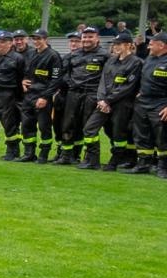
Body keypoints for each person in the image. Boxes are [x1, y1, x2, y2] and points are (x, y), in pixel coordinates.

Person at [83, 33, 142, 171]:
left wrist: (108, 100)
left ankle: (115, 162)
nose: (115, 47)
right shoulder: (111, 61)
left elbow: (128, 87)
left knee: (118, 134)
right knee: (89, 129)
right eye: (114, 44)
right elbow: (103, 82)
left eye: (118, 44)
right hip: (104, 103)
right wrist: (102, 100)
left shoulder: (136, 63)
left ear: (128, 45)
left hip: (122, 103)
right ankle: (93, 160)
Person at [55, 27, 106, 165]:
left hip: (92, 94)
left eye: (90, 37)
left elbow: (107, 77)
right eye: (85, 37)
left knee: (87, 127)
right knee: (68, 124)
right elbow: (64, 73)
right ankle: (66, 156)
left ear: (97, 38)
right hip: (74, 93)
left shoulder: (105, 55)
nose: (87, 39)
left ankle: (90, 158)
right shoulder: (74, 55)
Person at [122, 30, 167, 177]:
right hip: (143, 102)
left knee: (162, 136)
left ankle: (163, 167)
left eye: (152, 44)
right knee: (141, 134)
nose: (148, 47)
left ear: (162, 45)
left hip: (161, 103)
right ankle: (143, 164)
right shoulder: (149, 59)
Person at [20, 31, 64, 163]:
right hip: (29, 95)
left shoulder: (53, 56)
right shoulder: (32, 54)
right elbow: (26, 72)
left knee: (44, 126)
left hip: (42, 96)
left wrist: (45, 97)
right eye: (34, 39)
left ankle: (44, 154)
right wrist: (23, 81)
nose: (36, 41)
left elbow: (56, 80)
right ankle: (29, 153)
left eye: (39, 39)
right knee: (27, 125)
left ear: (46, 39)